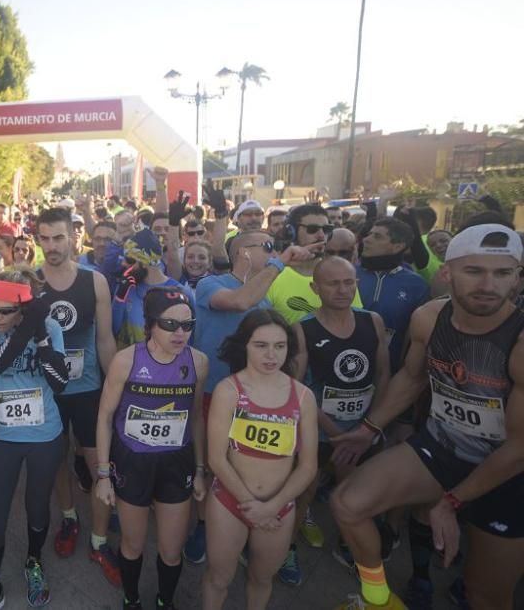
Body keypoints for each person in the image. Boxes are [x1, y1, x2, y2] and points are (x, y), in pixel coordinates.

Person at [330, 224, 524, 610]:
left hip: (508, 474)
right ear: (447, 272)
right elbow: (411, 379)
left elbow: (519, 448)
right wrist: (368, 430)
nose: (489, 284)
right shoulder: (429, 318)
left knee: (484, 594)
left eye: (503, 273)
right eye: (475, 271)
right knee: (347, 504)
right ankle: (378, 599)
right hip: (444, 447)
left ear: (518, 277)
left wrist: (450, 502)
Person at [95, 287, 208, 610]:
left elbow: (196, 416)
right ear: (150, 324)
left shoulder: (197, 362)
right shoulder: (126, 360)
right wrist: (103, 474)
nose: (180, 333)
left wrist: (200, 469)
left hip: (176, 461)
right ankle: (131, 599)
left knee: (172, 550)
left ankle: (165, 601)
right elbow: (104, 417)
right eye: (170, 325)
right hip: (133, 461)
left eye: (188, 325)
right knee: (132, 544)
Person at [202, 309, 318, 610]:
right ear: (245, 346)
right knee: (218, 578)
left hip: (279, 506)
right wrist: (252, 507)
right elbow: (216, 458)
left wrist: (271, 507)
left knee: (262, 579)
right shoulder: (228, 391)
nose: (271, 355)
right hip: (230, 501)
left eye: (279, 346)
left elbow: (308, 466)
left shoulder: (303, 397)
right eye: (260, 345)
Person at [0, 269, 70, 610]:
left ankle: (33, 561)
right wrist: (27, 325)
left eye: (5, 310)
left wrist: (40, 335)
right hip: (5, 437)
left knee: (37, 504)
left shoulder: (50, 328)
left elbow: (59, 383)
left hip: (44, 434)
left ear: (24, 307)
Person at [287, 257, 391, 580]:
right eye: (333, 283)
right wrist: (333, 432)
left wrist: (370, 425)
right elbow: (297, 387)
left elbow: (384, 372)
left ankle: (354, 548)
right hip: (319, 432)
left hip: (364, 427)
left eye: (349, 282)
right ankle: (285, 551)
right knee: (302, 493)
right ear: (315, 288)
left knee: (359, 493)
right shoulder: (303, 328)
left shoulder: (372, 320)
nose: (343, 290)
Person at [34, 208, 120, 584]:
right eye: (45, 238)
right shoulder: (30, 281)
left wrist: (117, 389)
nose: (51, 246)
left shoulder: (95, 282)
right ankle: (69, 519)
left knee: (101, 464)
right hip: (46, 390)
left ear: (73, 237)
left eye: (58, 238)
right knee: (56, 462)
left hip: (87, 390)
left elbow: (104, 340)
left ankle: (99, 542)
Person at [355, 218, 430, 375]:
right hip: (344, 366)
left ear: (397, 247)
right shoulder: (348, 274)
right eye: (369, 234)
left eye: (377, 237)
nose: (366, 240)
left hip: (389, 372)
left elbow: (414, 338)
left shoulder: (416, 285)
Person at [268, 204, 362, 325]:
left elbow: (356, 319)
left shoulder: (340, 272)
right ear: (292, 232)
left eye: (327, 229)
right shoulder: (273, 275)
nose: (321, 236)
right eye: (312, 229)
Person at [111, 229, 192, 349]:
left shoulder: (179, 292)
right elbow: (113, 330)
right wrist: (119, 299)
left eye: (129, 260)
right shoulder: (127, 286)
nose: (123, 264)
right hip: (130, 362)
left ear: (145, 261)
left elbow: (188, 340)